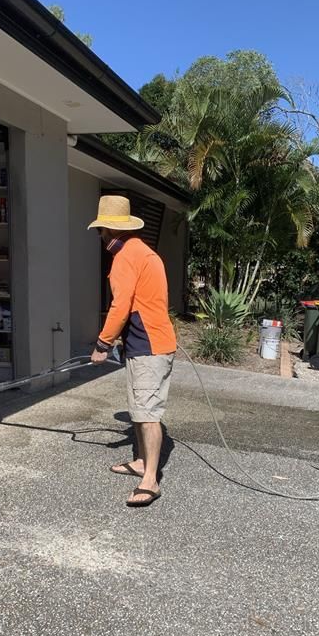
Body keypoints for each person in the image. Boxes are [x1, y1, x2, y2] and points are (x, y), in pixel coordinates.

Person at [88, 195, 176, 508]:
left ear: (110, 231)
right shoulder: (143, 252)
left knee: (147, 414)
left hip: (149, 346)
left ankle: (150, 480)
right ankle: (141, 462)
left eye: (101, 231)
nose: (100, 237)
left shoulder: (125, 257)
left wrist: (102, 343)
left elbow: (120, 305)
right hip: (148, 344)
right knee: (140, 409)